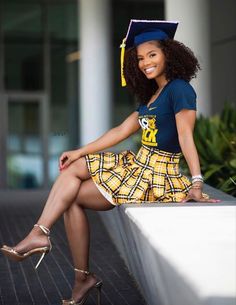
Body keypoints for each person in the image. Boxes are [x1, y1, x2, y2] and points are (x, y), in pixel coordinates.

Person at [1, 19, 219, 305]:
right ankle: (49, 245)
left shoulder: (180, 90)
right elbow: (120, 131)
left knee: (72, 196)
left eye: (152, 55)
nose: (145, 63)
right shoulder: (152, 96)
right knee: (73, 169)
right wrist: (78, 151)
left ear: (169, 53)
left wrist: (196, 182)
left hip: (157, 173)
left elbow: (185, 134)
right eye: (140, 58)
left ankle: (61, 258)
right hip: (138, 163)